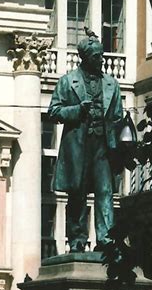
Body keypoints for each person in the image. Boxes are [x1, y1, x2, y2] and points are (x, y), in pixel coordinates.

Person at [48, 31, 123, 252]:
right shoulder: (67, 82)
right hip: (77, 147)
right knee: (77, 194)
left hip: (103, 146)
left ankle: (106, 240)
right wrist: (77, 111)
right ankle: (77, 240)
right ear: (85, 58)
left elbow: (117, 116)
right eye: (97, 57)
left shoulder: (111, 84)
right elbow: (54, 112)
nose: (101, 60)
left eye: (101, 55)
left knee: (105, 192)